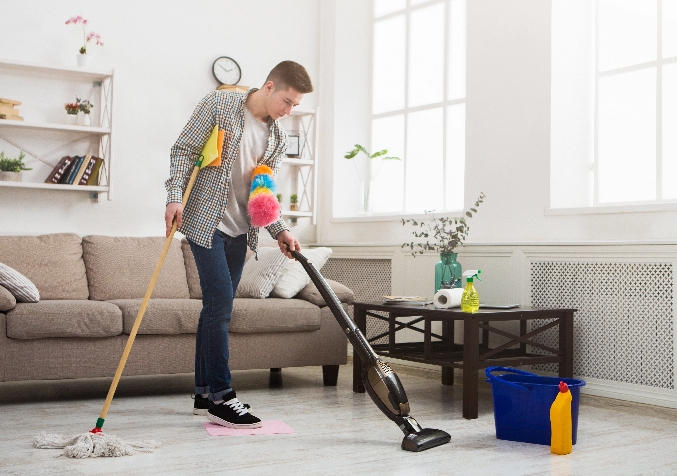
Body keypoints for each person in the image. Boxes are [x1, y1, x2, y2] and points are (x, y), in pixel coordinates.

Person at [164, 61, 313, 428]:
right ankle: (222, 397)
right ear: (269, 86)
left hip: (239, 232)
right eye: (287, 101)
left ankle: (202, 394)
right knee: (219, 307)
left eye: (295, 106)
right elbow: (183, 150)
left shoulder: (275, 138)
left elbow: (263, 192)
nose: (288, 110)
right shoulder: (218, 105)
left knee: (214, 310)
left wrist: (279, 229)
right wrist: (173, 197)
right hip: (205, 222)